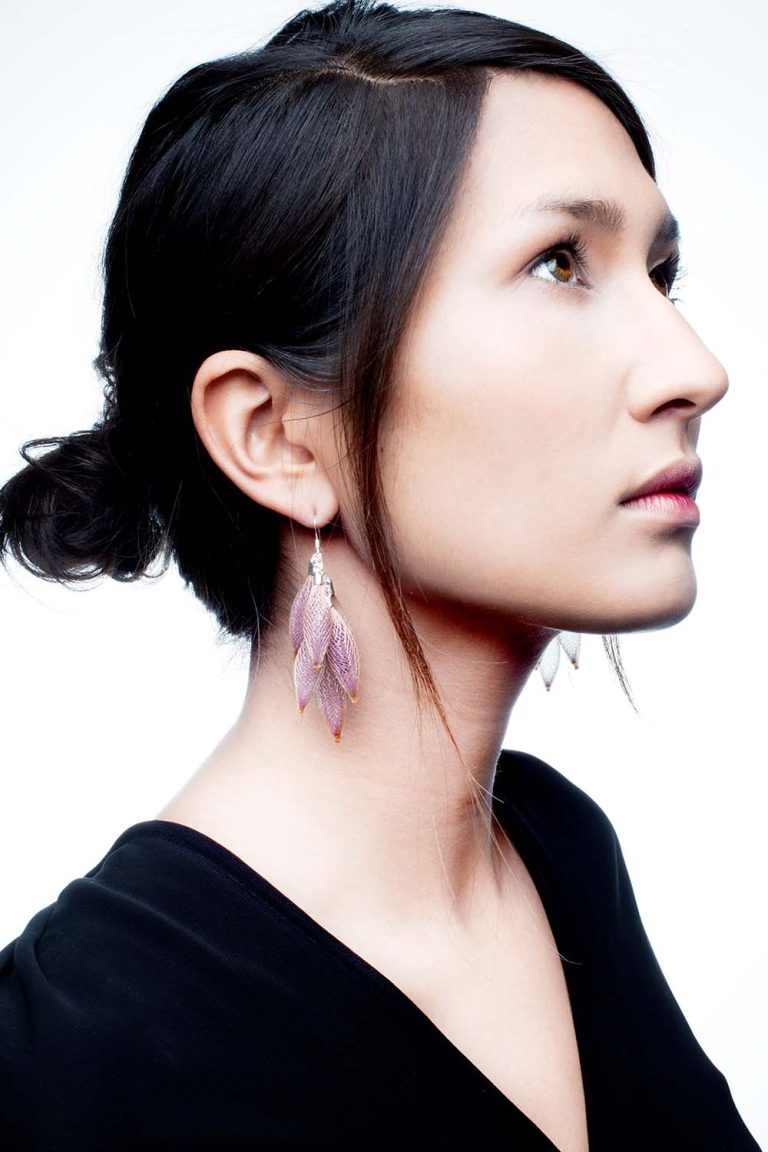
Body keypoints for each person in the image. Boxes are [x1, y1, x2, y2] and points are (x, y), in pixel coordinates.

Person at [0, 1, 760, 1149]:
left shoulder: (560, 856)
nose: (695, 370)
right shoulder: (76, 1053)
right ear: (276, 437)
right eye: (560, 262)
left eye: (661, 273)